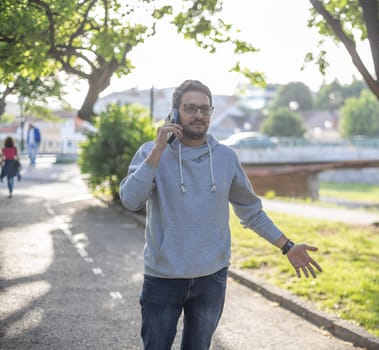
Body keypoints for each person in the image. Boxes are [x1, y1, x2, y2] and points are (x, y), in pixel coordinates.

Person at [119, 80, 323, 350]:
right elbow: (130, 200)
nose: (199, 115)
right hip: (163, 277)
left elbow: (251, 212)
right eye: (190, 108)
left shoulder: (226, 158)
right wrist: (159, 149)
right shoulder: (150, 152)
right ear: (175, 112)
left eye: (205, 109)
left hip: (211, 279)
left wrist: (287, 246)